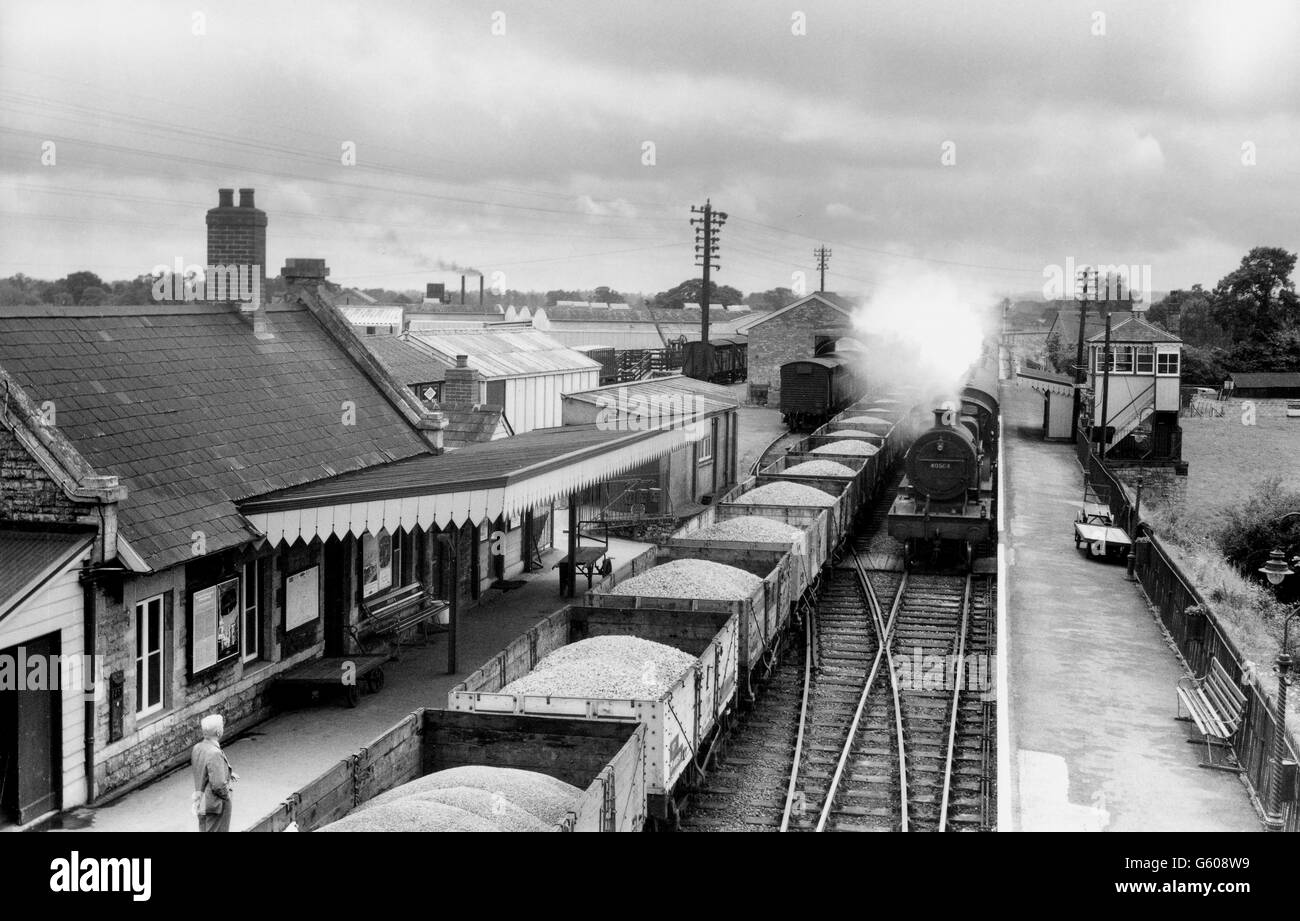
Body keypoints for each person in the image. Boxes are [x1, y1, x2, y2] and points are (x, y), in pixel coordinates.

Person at [190, 714, 238, 832]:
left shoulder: (198, 748)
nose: (223, 728)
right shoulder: (214, 753)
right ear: (218, 732)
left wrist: (227, 772)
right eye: (222, 726)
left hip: (202, 801)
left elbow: (204, 768)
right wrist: (227, 797)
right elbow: (218, 785)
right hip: (215, 805)